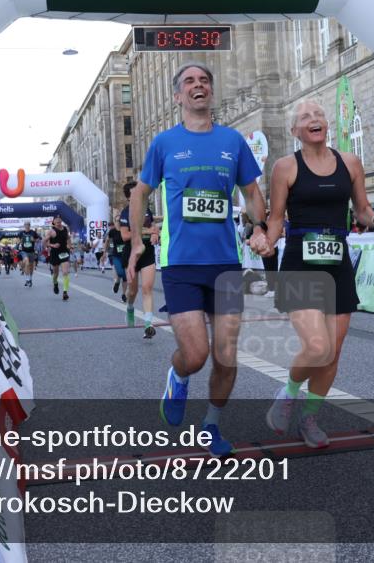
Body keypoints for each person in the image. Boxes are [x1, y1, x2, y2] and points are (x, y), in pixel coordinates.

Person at [127, 62, 266, 457]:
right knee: (196, 355)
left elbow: (252, 192)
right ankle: (178, 374)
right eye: (189, 81)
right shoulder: (165, 143)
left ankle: (211, 426)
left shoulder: (232, 141)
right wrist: (136, 242)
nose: (197, 85)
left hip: (225, 264)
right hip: (181, 265)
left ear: (211, 91)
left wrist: (260, 227)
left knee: (226, 356)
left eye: (204, 80)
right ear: (178, 96)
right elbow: (140, 193)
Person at [255, 101, 374, 448]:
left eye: (318, 115)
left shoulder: (350, 163)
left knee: (333, 352)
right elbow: (276, 218)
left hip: (337, 263)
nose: (314, 119)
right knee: (317, 347)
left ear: (326, 125)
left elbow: (362, 210)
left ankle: (309, 417)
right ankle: (288, 393)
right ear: (295, 131)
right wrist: (267, 242)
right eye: (305, 117)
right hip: (300, 263)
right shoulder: (286, 167)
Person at [120, 182, 159, 337]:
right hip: (132, 254)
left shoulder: (147, 210)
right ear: (129, 198)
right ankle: (130, 308)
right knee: (133, 291)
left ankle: (148, 324)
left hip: (147, 252)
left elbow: (154, 228)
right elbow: (125, 236)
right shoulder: (125, 213)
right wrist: (147, 231)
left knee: (147, 288)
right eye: (134, 193)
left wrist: (155, 234)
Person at [46, 215, 73, 301]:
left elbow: (68, 238)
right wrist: (53, 245)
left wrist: (70, 246)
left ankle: (65, 292)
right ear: (53, 222)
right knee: (55, 274)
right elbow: (46, 242)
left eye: (59, 220)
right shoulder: (50, 231)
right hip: (54, 253)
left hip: (64, 252)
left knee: (65, 272)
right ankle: (55, 283)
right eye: (56, 220)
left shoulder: (65, 229)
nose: (58, 221)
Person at [105, 211, 127, 301]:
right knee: (121, 273)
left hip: (126, 255)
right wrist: (104, 252)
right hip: (116, 255)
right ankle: (117, 281)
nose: (119, 222)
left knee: (125, 277)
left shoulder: (125, 229)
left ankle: (124, 294)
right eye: (117, 220)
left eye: (120, 220)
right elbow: (107, 241)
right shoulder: (112, 231)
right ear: (114, 221)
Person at [18, 222, 39, 287]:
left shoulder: (33, 232)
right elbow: (18, 241)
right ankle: (27, 279)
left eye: (28, 225)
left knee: (31, 266)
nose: (27, 226)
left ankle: (30, 279)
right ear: (24, 226)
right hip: (24, 251)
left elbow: (38, 239)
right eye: (26, 225)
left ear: (30, 226)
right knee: (27, 263)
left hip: (32, 251)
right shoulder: (21, 233)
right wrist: (21, 241)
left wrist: (34, 240)